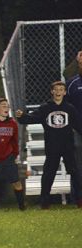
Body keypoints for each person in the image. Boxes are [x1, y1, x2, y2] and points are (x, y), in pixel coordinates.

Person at [16, 81, 82, 209]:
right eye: (56, 89)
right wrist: (21, 116)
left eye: (61, 89)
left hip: (68, 146)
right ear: (52, 91)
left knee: (74, 172)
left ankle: (79, 200)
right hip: (52, 147)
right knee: (48, 174)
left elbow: (79, 125)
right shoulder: (45, 108)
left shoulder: (70, 108)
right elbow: (31, 118)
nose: (58, 92)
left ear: (64, 92)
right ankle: (45, 202)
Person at [65, 51, 82, 202]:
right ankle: (77, 197)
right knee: (77, 164)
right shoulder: (71, 82)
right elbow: (66, 107)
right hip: (77, 130)